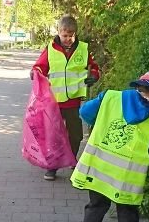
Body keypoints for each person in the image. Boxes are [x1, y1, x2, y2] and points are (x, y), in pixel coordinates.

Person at [69, 71, 149, 222]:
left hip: (99, 168)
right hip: (127, 176)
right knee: (128, 213)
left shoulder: (110, 97)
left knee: (96, 205)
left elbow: (85, 113)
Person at [30, 14, 100, 180]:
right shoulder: (51, 49)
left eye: (71, 35)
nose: (68, 39)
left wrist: (95, 76)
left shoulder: (82, 49)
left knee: (75, 135)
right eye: (64, 35)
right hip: (54, 101)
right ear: (59, 32)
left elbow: (94, 68)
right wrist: (35, 73)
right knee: (53, 134)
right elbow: (40, 66)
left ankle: (70, 159)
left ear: (75, 33)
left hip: (74, 101)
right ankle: (52, 166)